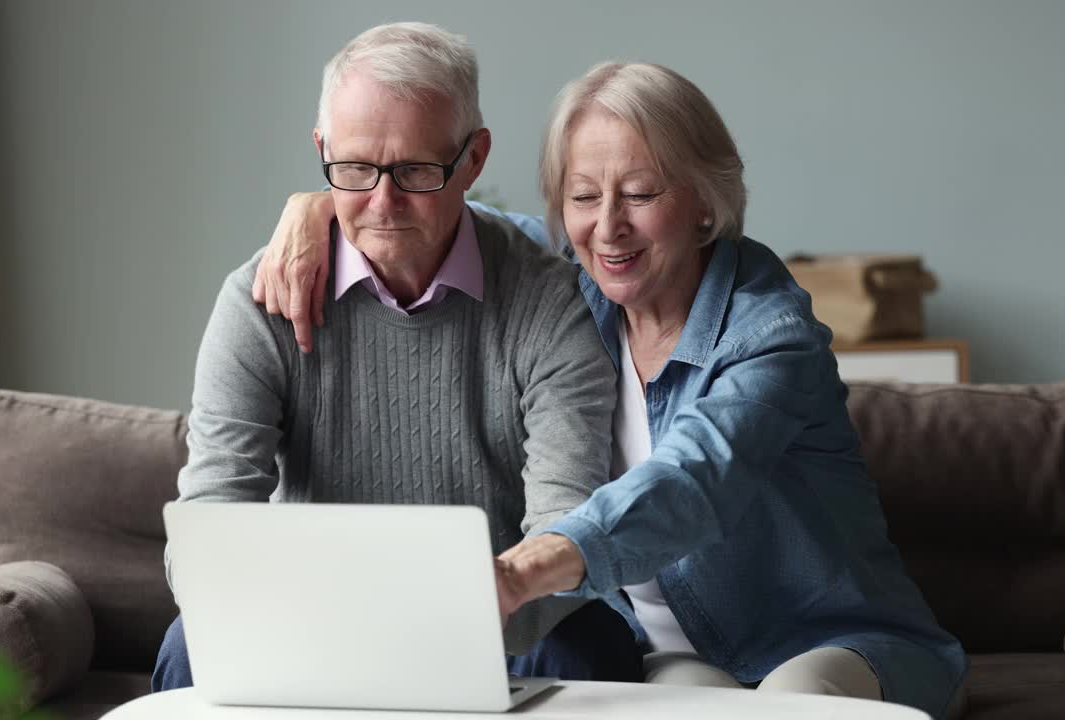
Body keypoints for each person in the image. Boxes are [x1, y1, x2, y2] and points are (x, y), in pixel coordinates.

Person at [253, 61, 969, 719]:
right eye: (583, 197)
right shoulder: (567, 295)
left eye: (641, 193)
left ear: (703, 201)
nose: (607, 227)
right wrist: (315, 207)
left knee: (791, 704)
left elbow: (694, 480)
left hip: (831, 645)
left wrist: (526, 567)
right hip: (679, 660)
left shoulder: (770, 329)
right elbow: (429, 214)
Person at [152, 23, 644, 692]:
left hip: (506, 633)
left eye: (415, 170)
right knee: (190, 645)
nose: (382, 204)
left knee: (588, 642)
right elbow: (209, 520)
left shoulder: (544, 302)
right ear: (322, 150)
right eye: (354, 169)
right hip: (307, 630)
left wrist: (475, 611)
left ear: (473, 159)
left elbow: (564, 521)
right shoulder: (258, 301)